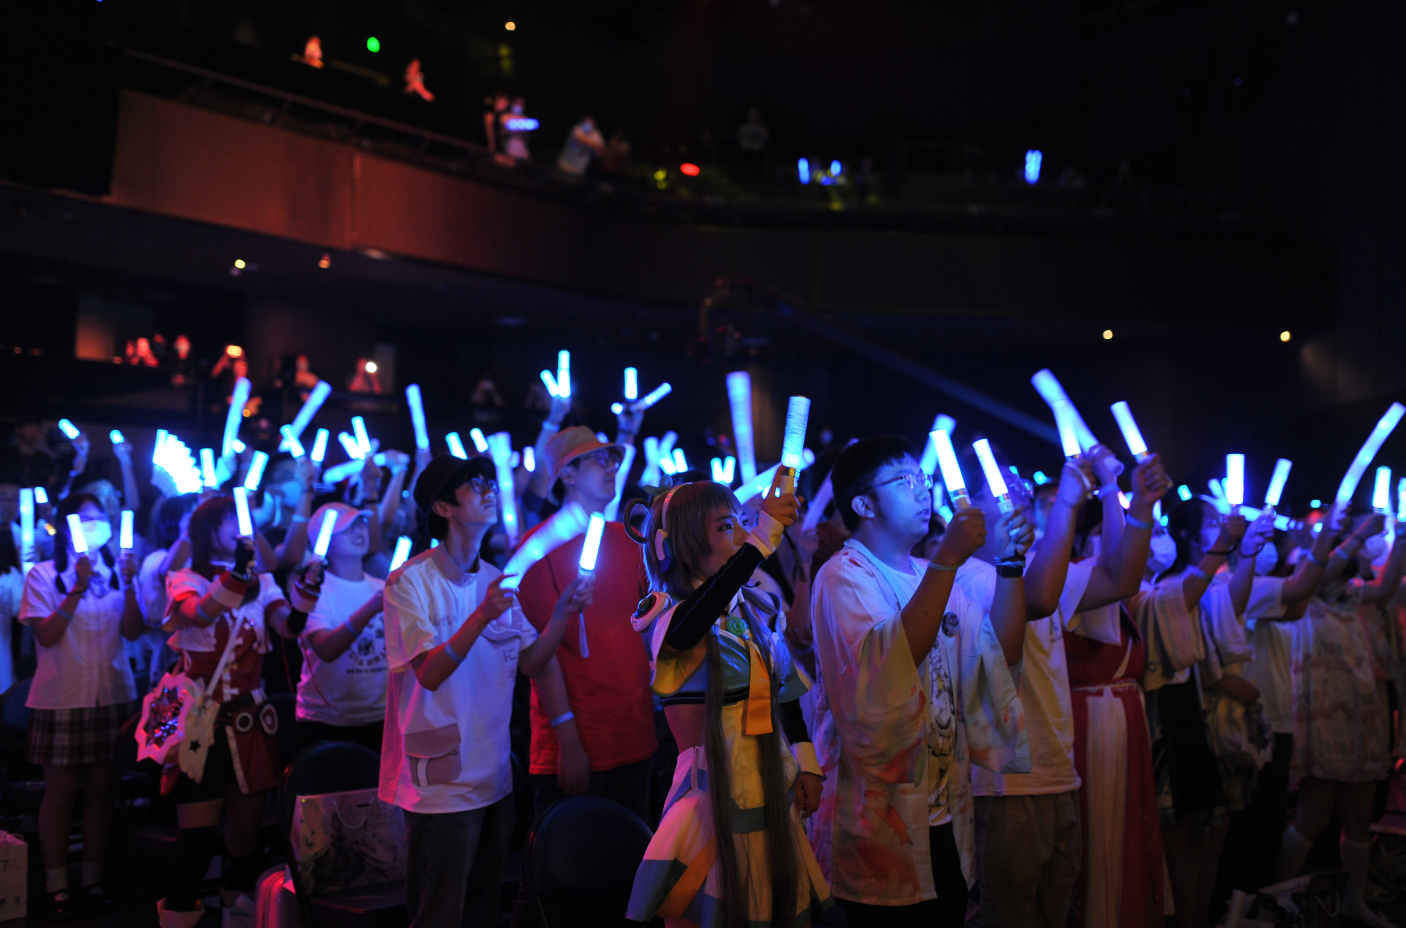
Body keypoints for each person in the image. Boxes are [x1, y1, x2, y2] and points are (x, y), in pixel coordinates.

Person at [809, 437, 1032, 928]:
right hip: (876, 825)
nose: (922, 490)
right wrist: (947, 560)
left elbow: (1000, 654)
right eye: (904, 481)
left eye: (922, 478)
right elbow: (890, 669)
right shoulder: (844, 576)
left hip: (945, 816)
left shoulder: (926, 574)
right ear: (863, 504)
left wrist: (1010, 563)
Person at [965, 448, 1165, 928]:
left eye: (1019, 486)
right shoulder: (967, 576)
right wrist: (1067, 508)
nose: (1017, 494)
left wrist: (1139, 504)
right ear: (965, 509)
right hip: (1004, 783)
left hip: (1059, 771)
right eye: (1000, 487)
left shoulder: (1041, 566)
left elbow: (1120, 579)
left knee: (1054, 915)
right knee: (1006, 916)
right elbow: (1035, 599)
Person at [381, 454, 581, 928]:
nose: (490, 489)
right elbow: (429, 674)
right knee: (438, 915)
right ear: (444, 507)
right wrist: (480, 617)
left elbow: (533, 662)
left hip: (493, 776)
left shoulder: (495, 581)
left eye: (490, 482)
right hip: (440, 787)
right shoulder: (408, 582)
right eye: (475, 485)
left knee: (481, 912)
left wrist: (561, 615)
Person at [625, 475, 830, 927]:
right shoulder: (663, 611)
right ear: (680, 543)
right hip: (708, 795)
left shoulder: (754, 607)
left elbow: (786, 690)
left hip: (770, 782)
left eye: (741, 523)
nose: (740, 535)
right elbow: (686, 630)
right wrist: (758, 545)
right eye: (724, 528)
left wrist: (807, 761)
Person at [156, 496, 322, 928]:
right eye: (227, 519)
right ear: (206, 529)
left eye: (239, 517)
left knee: (245, 840)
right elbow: (199, 613)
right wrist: (237, 575)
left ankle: (237, 917)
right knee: (197, 840)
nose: (236, 525)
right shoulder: (184, 578)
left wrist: (305, 593)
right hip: (201, 721)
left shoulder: (262, 583)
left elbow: (288, 628)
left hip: (249, 720)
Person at [514, 427, 657, 820]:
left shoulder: (629, 541)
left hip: (635, 736)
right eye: (599, 459)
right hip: (578, 747)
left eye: (613, 459)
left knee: (632, 871)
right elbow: (540, 658)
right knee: (572, 870)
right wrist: (568, 742)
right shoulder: (538, 549)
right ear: (567, 473)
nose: (611, 467)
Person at [1275, 510, 1406, 928]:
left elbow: (1385, 588)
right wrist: (1353, 535)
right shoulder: (1306, 594)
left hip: (1362, 714)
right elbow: (1320, 569)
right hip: (1322, 718)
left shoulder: (1349, 594)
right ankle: (1274, 898)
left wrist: (1402, 539)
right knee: (1312, 814)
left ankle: (1353, 901)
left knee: (1359, 815)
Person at [1125, 499, 1252, 928]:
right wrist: (1225, 542)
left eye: (1158, 532)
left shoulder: (1165, 587)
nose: (1154, 541)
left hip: (1187, 713)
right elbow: (1182, 596)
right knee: (1174, 844)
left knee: (1201, 838)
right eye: (1146, 533)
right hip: (1157, 719)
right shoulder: (1134, 596)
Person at [19, 494, 144, 916]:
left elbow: (133, 630)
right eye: (85, 519)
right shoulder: (43, 574)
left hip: (109, 693)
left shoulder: (116, 572)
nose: (94, 525)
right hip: (61, 698)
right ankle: (56, 883)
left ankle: (92, 878)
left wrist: (128, 584)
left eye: (100, 518)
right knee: (60, 794)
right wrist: (75, 586)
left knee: (101, 792)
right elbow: (47, 635)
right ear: (68, 524)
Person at [295, 503, 387, 752]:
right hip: (326, 722)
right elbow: (326, 649)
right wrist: (369, 609)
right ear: (324, 541)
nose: (359, 531)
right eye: (347, 528)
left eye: (360, 523)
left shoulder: (382, 586)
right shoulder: (314, 591)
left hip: (381, 718)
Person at [137, 493, 200, 688]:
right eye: (193, 515)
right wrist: (188, 533)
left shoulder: (208, 562)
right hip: (170, 658)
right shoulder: (156, 558)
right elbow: (169, 571)